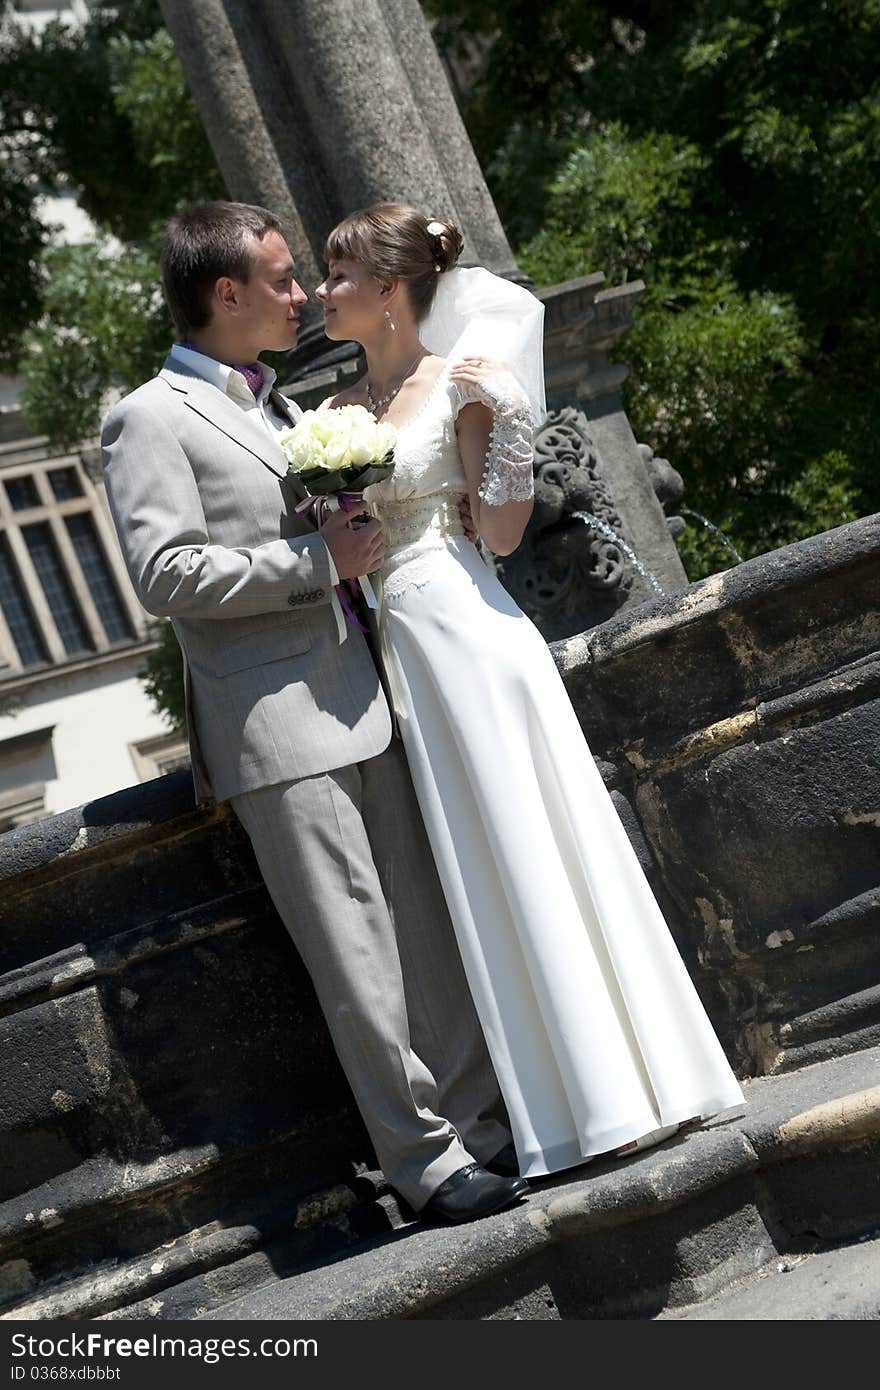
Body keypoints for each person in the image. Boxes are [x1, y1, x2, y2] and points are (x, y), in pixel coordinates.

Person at [100, 200, 529, 1224]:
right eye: (284, 280)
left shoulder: (280, 408)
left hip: (369, 692)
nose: (300, 297)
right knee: (356, 955)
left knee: (423, 930)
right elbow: (163, 573)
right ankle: (424, 1162)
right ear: (226, 294)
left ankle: (484, 1129)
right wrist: (312, 562)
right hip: (275, 728)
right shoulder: (148, 415)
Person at [315, 202, 745, 1180]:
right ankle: (567, 1101)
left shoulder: (455, 382)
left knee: (536, 843)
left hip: (470, 639)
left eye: (339, 276)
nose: (323, 292)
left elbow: (501, 536)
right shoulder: (341, 417)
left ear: (389, 291)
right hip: (402, 657)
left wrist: (508, 417)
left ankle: (632, 1094)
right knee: (484, 868)